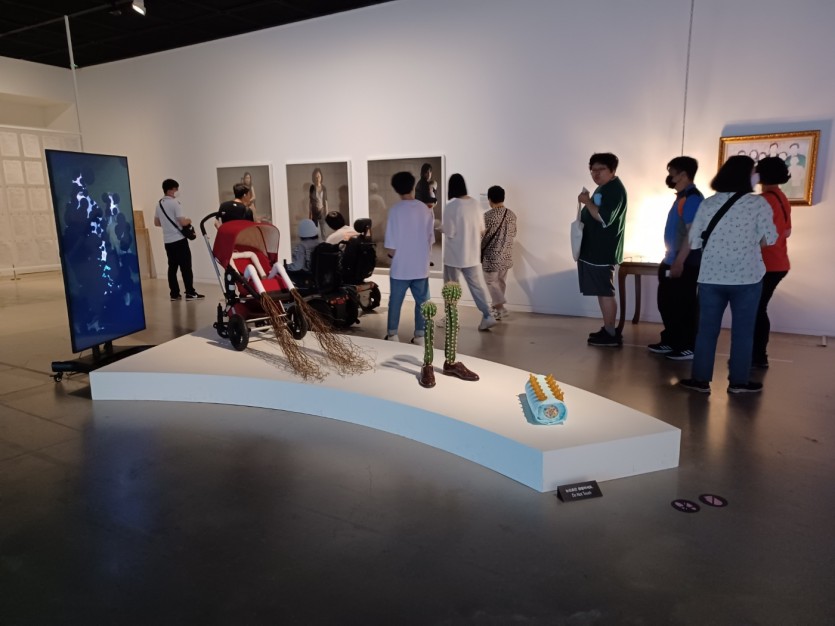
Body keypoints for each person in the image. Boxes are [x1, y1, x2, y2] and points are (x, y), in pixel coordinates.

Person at [679, 156, 777, 394]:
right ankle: (738, 382)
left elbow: (694, 242)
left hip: (711, 277)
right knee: (743, 333)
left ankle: (700, 380)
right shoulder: (758, 204)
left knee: (706, 331)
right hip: (747, 278)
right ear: (746, 176)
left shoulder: (708, 204)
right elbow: (770, 239)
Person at [649, 156, 704, 360]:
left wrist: (680, 261)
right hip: (671, 259)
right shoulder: (681, 198)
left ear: (683, 174)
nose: (669, 177)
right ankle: (671, 341)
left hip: (686, 263)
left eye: (671, 173)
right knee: (667, 303)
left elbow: (692, 233)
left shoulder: (692, 199)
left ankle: (687, 345)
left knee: (683, 305)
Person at [577, 153, 627, 347]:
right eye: (593, 170)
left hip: (601, 250)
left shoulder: (614, 190)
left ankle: (611, 334)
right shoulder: (606, 187)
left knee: (605, 291)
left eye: (601, 169)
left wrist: (587, 202)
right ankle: (608, 329)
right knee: (602, 290)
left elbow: (603, 218)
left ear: (612, 170)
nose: (596, 174)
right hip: (595, 250)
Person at [383, 171, 435, 344]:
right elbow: (430, 239)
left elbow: (391, 246)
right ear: (413, 186)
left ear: (396, 189)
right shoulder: (424, 209)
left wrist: (392, 255)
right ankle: (420, 335)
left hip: (401, 267)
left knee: (395, 302)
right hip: (420, 266)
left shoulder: (395, 210)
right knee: (422, 302)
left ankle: (393, 335)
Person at [442, 174, 497, 331]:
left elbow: (449, 232)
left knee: (451, 288)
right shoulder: (476, 205)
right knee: (476, 287)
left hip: (453, 256)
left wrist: (439, 226)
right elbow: (482, 230)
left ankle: (451, 319)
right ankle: (487, 315)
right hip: (471, 255)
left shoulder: (451, 207)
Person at [752, 157, 792, 368]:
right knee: (759, 308)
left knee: (756, 310)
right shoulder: (781, 197)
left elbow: (761, 237)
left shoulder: (764, 200)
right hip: (778, 262)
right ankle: (757, 355)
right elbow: (787, 231)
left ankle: (757, 356)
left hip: (767, 264)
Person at [153, 178, 204, 301]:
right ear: (171, 190)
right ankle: (190, 292)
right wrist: (189, 220)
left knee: (172, 267)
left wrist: (168, 226)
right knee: (186, 267)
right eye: (176, 189)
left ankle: (174, 294)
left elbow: (156, 223)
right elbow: (182, 221)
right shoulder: (175, 203)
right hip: (179, 240)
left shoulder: (159, 204)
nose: (177, 191)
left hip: (167, 241)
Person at [481, 185, 517, 321]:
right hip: (506, 255)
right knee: (500, 282)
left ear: (489, 199)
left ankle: (500, 307)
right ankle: (497, 310)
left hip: (492, 256)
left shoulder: (487, 216)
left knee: (491, 281)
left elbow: (481, 235)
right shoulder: (512, 215)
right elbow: (514, 233)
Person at [285, 218, 320, 285]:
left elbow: (297, 266)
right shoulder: (321, 244)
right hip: (320, 279)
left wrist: (286, 267)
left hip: (306, 278)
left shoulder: (302, 246)